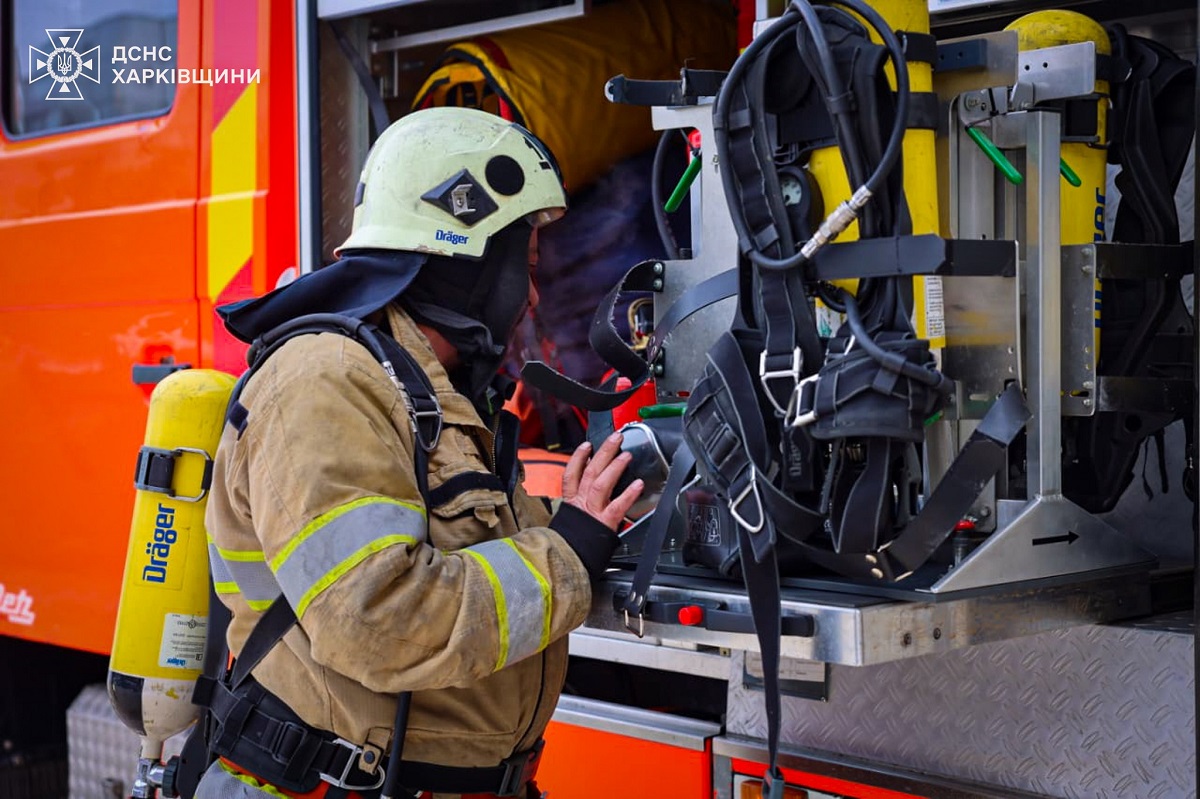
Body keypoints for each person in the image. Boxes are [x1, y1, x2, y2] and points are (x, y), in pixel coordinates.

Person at [193, 107, 644, 799]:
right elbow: (377, 619)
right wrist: (569, 551)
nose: (528, 296)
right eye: (518, 265)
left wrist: (588, 516)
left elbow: (468, 547)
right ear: (462, 256)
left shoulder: (432, 395)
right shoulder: (323, 382)